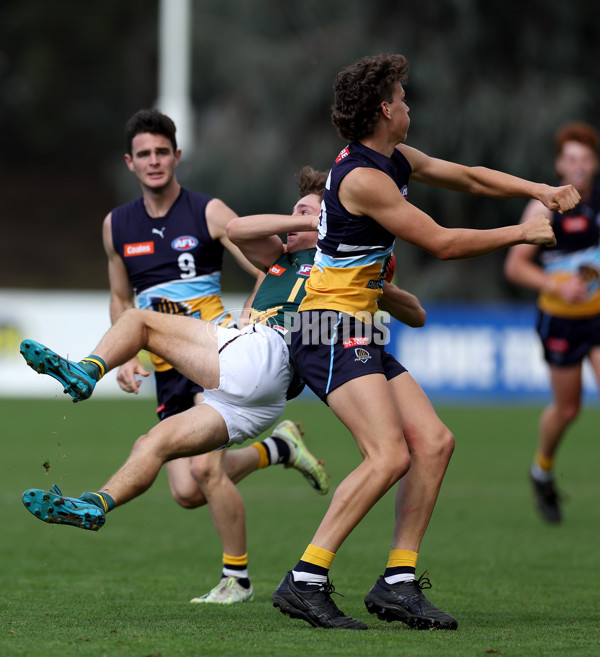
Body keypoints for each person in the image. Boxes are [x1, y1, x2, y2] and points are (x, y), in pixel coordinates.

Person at [19, 166, 426, 606]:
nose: (294, 219)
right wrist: (305, 219)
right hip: (261, 402)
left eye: (306, 211)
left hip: (262, 356)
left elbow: (417, 313)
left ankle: (87, 371)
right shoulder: (279, 259)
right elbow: (238, 228)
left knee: (139, 322)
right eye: (293, 212)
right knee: (154, 444)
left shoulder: (339, 268)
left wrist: (377, 282)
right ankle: (97, 504)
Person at [271, 54, 580, 632]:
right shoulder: (364, 178)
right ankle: (306, 580)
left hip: (355, 327)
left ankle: (398, 581)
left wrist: (540, 189)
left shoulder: (395, 159)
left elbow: (467, 176)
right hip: (326, 328)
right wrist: (523, 230)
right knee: (389, 455)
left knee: (434, 442)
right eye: (404, 97)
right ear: (385, 109)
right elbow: (441, 243)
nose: (410, 106)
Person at [102, 110, 330, 604]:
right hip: (167, 368)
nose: (154, 161)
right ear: (130, 162)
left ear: (177, 156)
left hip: (214, 350)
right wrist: (124, 355)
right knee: (186, 491)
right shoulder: (117, 225)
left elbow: (273, 262)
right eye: (144, 153)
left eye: (163, 151)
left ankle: (237, 579)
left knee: (206, 472)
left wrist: (254, 311)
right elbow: (121, 297)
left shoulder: (206, 212)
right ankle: (280, 449)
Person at [504, 121, 600, 524]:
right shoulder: (544, 207)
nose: (578, 165)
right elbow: (515, 266)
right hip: (559, 321)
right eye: (571, 158)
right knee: (568, 409)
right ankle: (542, 469)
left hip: (597, 318)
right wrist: (557, 288)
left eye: (585, 158)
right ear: (561, 164)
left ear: (594, 163)